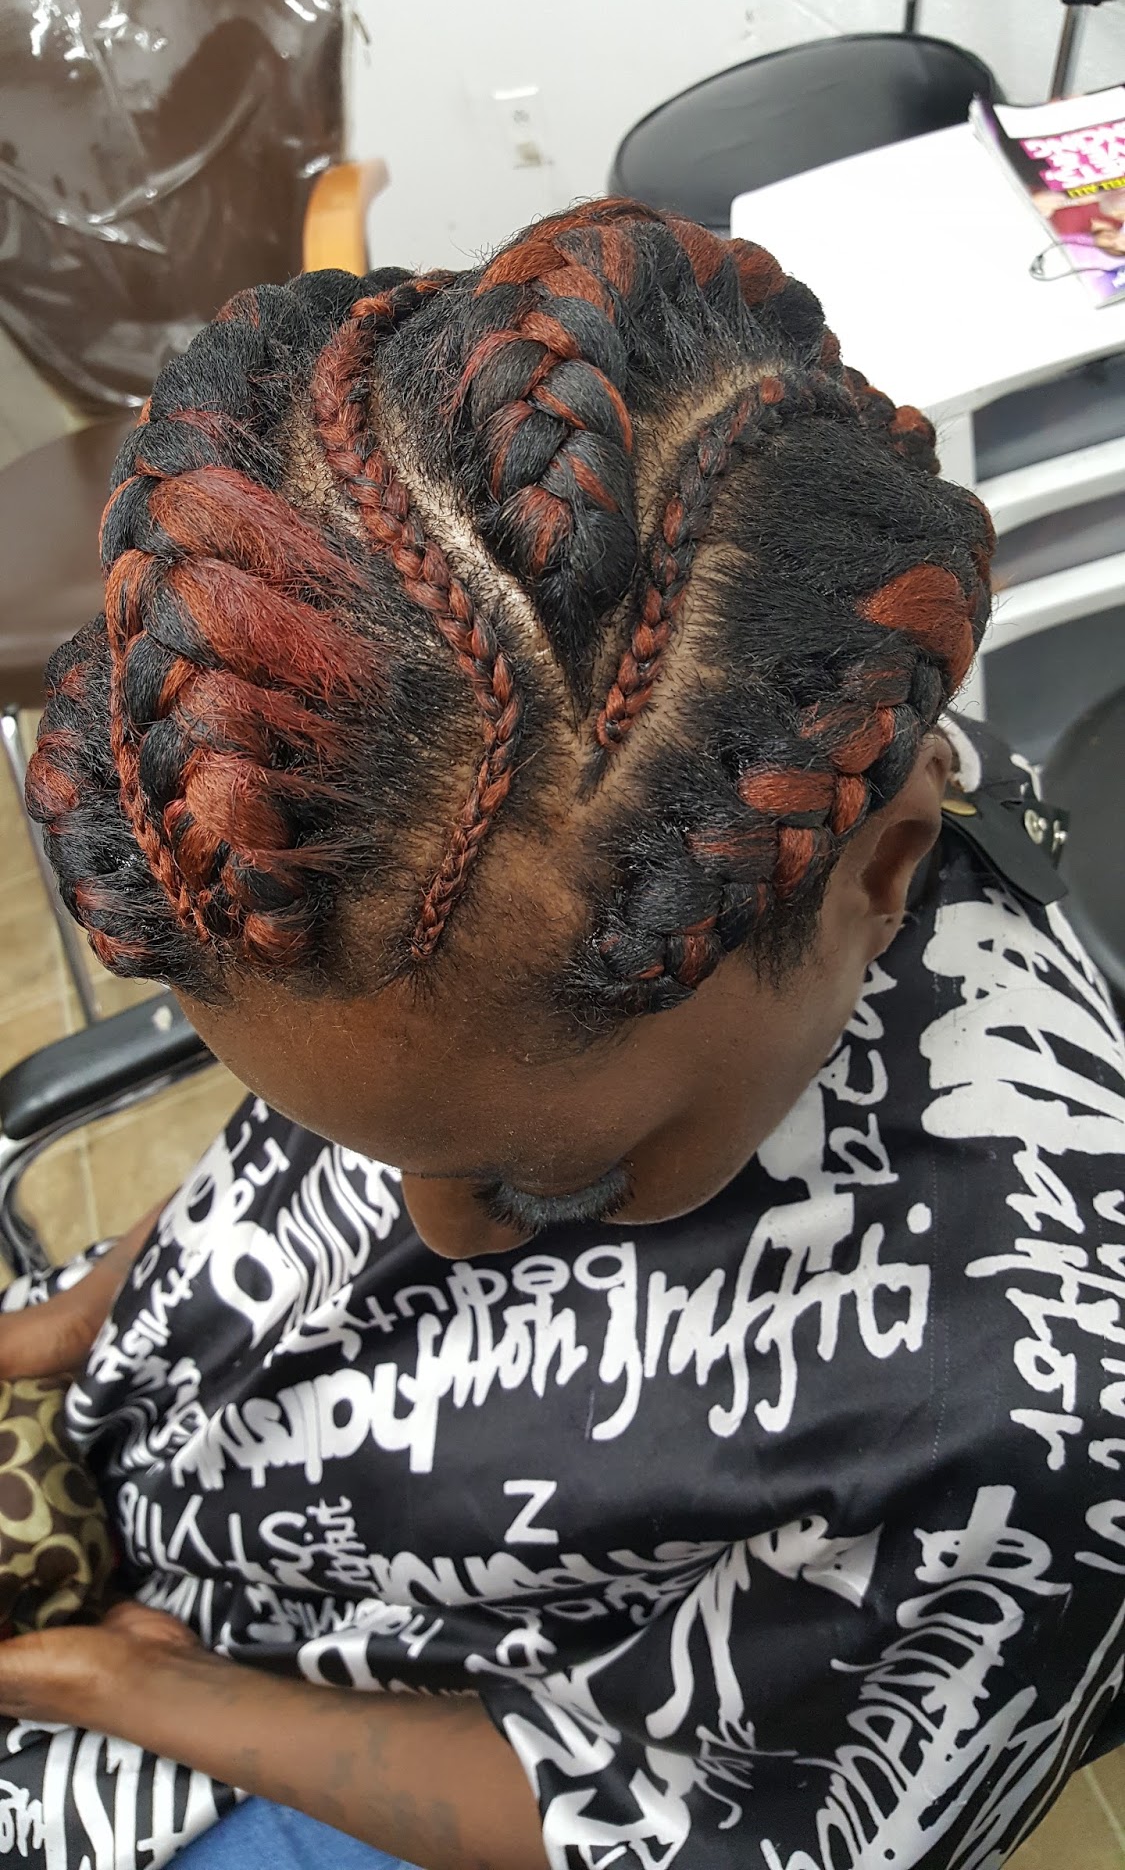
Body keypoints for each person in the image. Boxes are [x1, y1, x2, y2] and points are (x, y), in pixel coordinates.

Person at [0, 197, 1123, 1870]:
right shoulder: (484, 897)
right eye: (345, 1134)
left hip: (375, 1731)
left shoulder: (1024, 1429)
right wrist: (72, 1326)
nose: (422, 1230)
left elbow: (683, 1824)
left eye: (548, 1182)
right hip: (191, 1463)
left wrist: (127, 1691)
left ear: (887, 874)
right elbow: (321, 1188)